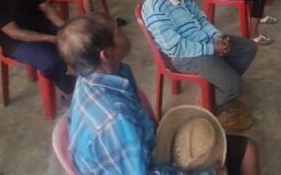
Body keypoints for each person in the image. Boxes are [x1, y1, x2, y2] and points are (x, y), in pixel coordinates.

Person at [57, 12, 260, 174]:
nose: (124, 32)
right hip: (141, 165)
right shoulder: (114, 119)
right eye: (118, 31)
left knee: (242, 148)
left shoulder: (98, 76)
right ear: (106, 55)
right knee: (244, 154)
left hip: (142, 152)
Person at [143, 0, 259, 131]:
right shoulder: (155, 9)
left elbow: (200, 18)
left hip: (204, 42)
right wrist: (211, 48)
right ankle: (211, 105)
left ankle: (214, 91)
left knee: (248, 48)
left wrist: (216, 36)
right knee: (235, 86)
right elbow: (176, 48)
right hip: (183, 56)